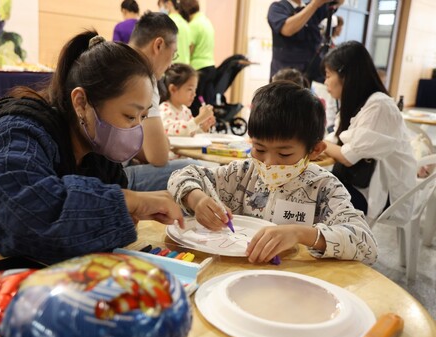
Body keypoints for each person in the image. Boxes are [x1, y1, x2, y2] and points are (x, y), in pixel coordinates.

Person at [0, 30, 185, 302]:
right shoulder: (15, 131)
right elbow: (23, 216)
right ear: (81, 102)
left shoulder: (96, 154)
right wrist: (127, 201)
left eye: (142, 116)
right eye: (129, 115)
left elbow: (91, 231)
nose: (136, 128)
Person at [168, 81, 378, 265]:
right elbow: (181, 176)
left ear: (314, 150)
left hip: (296, 284)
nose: (269, 163)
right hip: (236, 273)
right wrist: (196, 199)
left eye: (284, 154)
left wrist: (300, 233)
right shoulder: (242, 173)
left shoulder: (324, 187)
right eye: (259, 149)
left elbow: (366, 245)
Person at [322, 41, 416, 222]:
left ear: (346, 75)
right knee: (309, 185)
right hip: (359, 182)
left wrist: (316, 141)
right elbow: (334, 141)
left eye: (328, 75)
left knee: (312, 194)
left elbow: (348, 157)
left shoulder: (379, 105)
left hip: (383, 194)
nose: (325, 82)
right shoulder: (357, 103)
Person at [126, 11, 199, 191]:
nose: (169, 66)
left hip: (89, 172)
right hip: (112, 177)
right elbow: (158, 157)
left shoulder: (116, 61)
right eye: (173, 54)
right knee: (198, 170)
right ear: (158, 45)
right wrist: (162, 144)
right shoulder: (143, 76)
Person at [267, 0, 344, 83]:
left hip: (314, 75)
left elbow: (338, 1)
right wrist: (314, 5)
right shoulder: (278, 8)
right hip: (286, 77)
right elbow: (287, 29)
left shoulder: (312, 8)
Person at [179, 0, 215, 116]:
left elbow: (190, 47)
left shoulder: (194, 24)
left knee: (192, 99)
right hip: (210, 65)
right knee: (207, 100)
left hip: (198, 67)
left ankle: (196, 123)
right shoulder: (206, 21)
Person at [159, 63, 215, 136]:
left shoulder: (186, 111)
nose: (194, 94)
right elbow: (176, 131)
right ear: (173, 89)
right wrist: (199, 118)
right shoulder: (164, 110)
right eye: (190, 89)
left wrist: (203, 127)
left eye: (195, 90)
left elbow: (191, 132)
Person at [158, 0, 192, 64]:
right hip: (185, 66)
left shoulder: (167, 22)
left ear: (169, 3)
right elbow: (190, 47)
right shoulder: (185, 23)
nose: (160, 10)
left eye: (160, 6)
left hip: (172, 66)